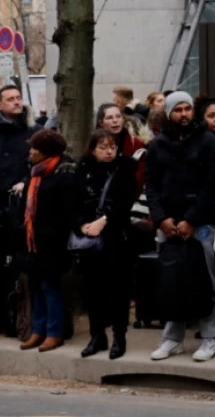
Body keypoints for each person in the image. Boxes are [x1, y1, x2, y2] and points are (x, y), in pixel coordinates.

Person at [145, 91, 215, 362]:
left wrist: (191, 219)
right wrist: (161, 218)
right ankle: (172, 338)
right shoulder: (158, 146)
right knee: (172, 281)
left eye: (187, 109)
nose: (183, 114)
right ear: (168, 113)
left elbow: (211, 184)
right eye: (177, 109)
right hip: (168, 224)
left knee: (207, 278)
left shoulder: (207, 140)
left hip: (200, 223)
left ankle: (211, 336)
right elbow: (152, 186)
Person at [73, 129, 138, 360]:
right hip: (90, 238)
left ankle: (119, 337)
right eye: (103, 147)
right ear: (93, 149)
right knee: (94, 290)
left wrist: (104, 220)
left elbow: (126, 199)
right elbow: (74, 201)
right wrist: (82, 224)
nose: (109, 151)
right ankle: (97, 335)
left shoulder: (126, 166)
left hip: (116, 236)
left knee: (119, 290)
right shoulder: (83, 168)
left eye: (112, 147)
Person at [0, 85, 41, 332]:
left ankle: (17, 321)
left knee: (19, 267)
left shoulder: (34, 132)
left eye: (18, 98)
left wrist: (26, 181)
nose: (16, 102)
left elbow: (44, 165)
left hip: (21, 210)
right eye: (10, 99)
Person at [19, 129, 74, 353]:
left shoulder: (62, 175)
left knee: (50, 287)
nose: (30, 152)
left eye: (35, 148)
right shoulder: (34, 173)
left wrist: (51, 233)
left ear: (47, 152)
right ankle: (37, 330)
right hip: (33, 241)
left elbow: (66, 212)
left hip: (53, 243)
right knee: (35, 287)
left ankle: (54, 332)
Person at [96, 103, 147, 192]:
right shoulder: (94, 142)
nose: (115, 121)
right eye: (109, 118)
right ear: (101, 122)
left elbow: (140, 174)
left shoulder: (135, 143)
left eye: (118, 117)